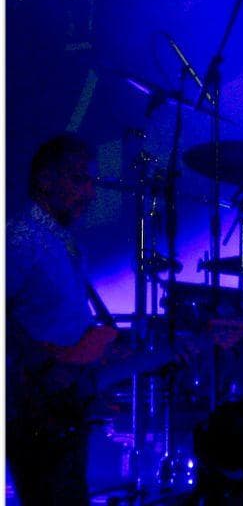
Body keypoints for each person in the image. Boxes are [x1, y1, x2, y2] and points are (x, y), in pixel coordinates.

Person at [6, 133, 121, 504]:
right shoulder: (22, 236)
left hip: (61, 406)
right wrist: (46, 367)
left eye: (91, 182)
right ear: (45, 179)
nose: (89, 193)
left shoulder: (62, 243)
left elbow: (62, 326)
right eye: (78, 179)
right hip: (36, 408)